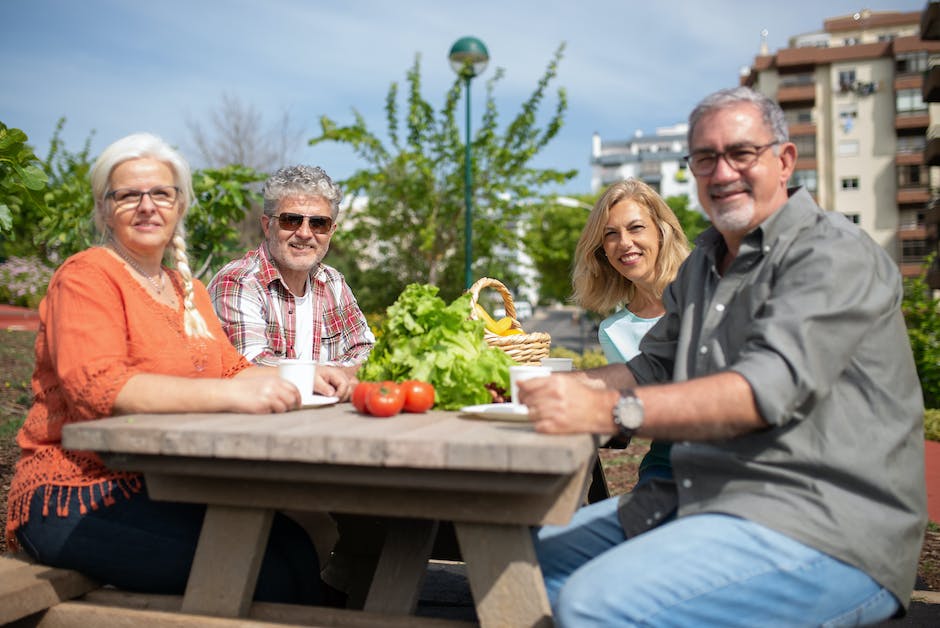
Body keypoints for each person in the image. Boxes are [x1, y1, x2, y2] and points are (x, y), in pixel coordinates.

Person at [519, 87, 927, 626]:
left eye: (741, 153)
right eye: (705, 158)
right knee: (522, 569)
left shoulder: (830, 253)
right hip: (700, 497)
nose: (722, 171)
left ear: (784, 161)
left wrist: (611, 412)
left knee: (594, 604)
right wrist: (547, 389)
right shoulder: (703, 266)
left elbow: (764, 388)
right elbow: (650, 368)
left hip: (823, 524)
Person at [5, 133, 322, 604]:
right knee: (266, 574)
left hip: (159, 483)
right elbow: (100, 387)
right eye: (129, 194)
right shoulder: (86, 277)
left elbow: (232, 370)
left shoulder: (187, 289)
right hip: (73, 493)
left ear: (180, 204)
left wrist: (306, 374)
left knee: (297, 547)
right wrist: (232, 397)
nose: (147, 205)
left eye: (161, 193)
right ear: (104, 209)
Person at [208, 165, 374, 402]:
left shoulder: (333, 282)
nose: (305, 233)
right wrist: (334, 374)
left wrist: (320, 375)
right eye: (291, 220)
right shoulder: (238, 282)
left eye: (319, 223)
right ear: (267, 225)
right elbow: (250, 368)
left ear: (331, 231)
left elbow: (366, 352)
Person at [572, 178, 689, 497]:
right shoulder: (613, 330)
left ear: (661, 232)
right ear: (602, 251)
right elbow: (633, 413)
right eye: (611, 234)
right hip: (666, 467)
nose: (624, 242)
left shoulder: (701, 293)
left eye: (636, 228)